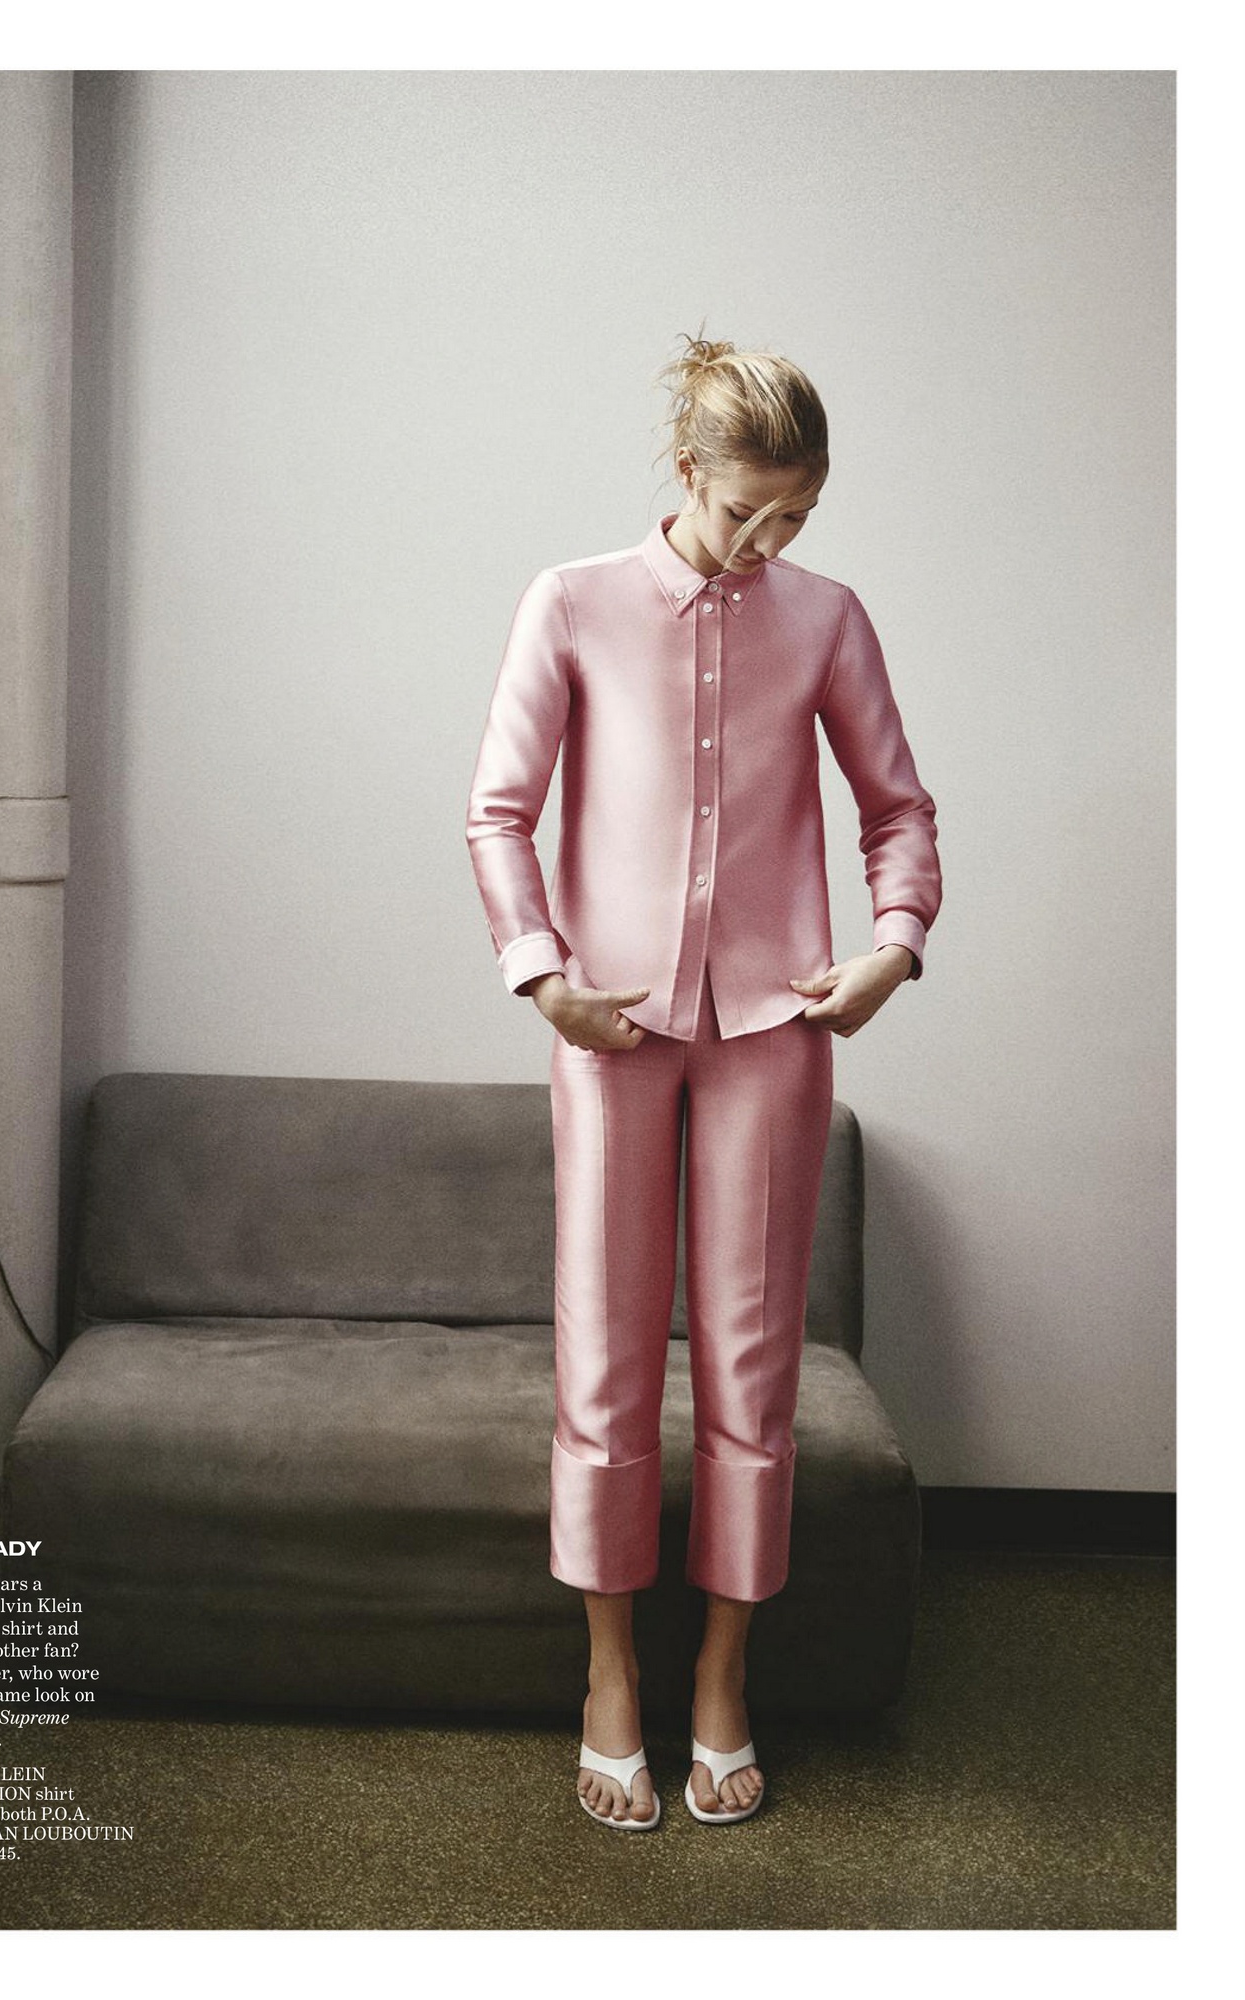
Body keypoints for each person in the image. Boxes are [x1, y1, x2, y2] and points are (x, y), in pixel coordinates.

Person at [465, 334, 942, 1830]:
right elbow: (498, 812)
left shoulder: (827, 619)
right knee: (606, 1361)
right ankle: (610, 1677)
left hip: (772, 1037)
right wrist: (543, 975)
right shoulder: (571, 602)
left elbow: (897, 810)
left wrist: (893, 946)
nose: (766, 543)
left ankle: (724, 1679)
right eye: (746, 511)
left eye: (796, 517)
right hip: (606, 1029)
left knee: (751, 1366)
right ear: (686, 472)